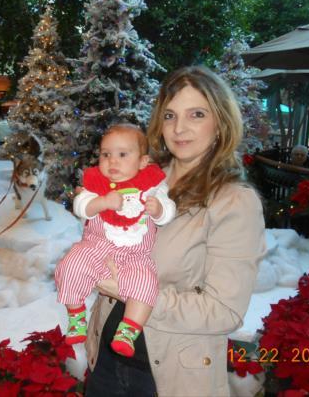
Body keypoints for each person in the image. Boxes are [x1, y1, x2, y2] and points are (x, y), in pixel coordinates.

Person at [84, 66, 266, 396]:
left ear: (221, 123)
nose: (179, 128)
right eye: (170, 115)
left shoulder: (233, 201)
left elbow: (223, 311)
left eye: (197, 114)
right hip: (106, 361)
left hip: (168, 378)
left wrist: (134, 293)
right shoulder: (141, 178)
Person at [55, 124, 176, 358]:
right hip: (95, 247)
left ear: (143, 161)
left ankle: (128, 330)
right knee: (70, 266)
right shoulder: (96, 182)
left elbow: (169, 211)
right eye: (106, 154)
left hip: (135, 255)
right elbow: (81, 206)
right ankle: (76, 314)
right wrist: (101, 203)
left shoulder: (153, 184)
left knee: (145, 284)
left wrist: (159, 209)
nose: (112, 161)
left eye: (122, 154)